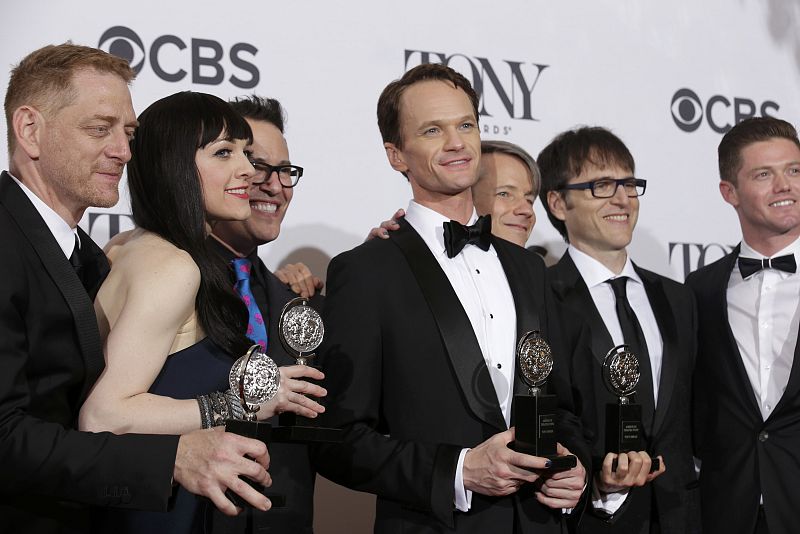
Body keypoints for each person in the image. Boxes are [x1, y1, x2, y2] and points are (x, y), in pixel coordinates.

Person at [0, 43, 272, 534]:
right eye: (98, 129)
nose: (124, 152)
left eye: (127, 133)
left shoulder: (91, 252)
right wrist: (171, 456)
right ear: (29, 129)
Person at [313, 63, 589, 533]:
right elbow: (337, 439)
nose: (457, 142)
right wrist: (459, 470)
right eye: (432, 130)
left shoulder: (527, 269)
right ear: (396, 155)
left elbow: (560, 403)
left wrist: (572, 465)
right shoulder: (365, 271)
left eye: (466, 125)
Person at [77, 91, 326, 533]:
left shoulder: (131, 247)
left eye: (244, 155)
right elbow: (103, 416)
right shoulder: (173, 266)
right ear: (175, 164)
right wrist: (245, 401)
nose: (249, 172)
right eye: (225, 153)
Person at [538, 126, 699, 534]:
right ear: (558, 202)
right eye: (602, 185)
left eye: (629, 183)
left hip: (681, 517)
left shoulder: (679, 299)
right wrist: (596, 480)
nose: (623, 198)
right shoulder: (540, 300)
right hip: (590, 520)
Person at [210, 94, 323, 533]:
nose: (274, 185)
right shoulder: (157, 275)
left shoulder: (291, 298)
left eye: (285, 171)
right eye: (256, 166)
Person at [686, 116, 800, 534]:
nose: (785, 185)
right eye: (764, 174)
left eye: (794, 170)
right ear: (729, 192)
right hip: (730, 512)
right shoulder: (699, 291)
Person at [374, 139, 539, 248]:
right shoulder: (396, 262)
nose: (527, 211)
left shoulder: (542, 285)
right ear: (464, 195)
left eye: (530, 200)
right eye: (504, 194)